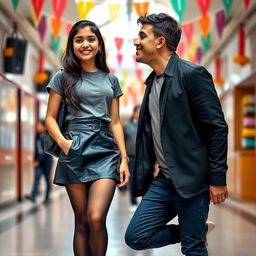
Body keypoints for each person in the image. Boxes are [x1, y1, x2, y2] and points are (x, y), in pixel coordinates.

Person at [125, 13, 228, 256]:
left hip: (192, 179)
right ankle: (194, 230)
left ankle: (193, 234)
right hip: (164, 181)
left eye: (142, 36)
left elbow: (217, 128)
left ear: (160, 42)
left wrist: (218, 178)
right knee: (136, 236)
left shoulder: (192, 74)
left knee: (192, 249)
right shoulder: (152, 82)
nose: (135, 42)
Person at [45, 20, 130, 256]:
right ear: (72, 45)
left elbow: (115, 121)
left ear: (99, 45)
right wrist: (64, 144)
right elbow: (50, 118)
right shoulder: (62, 77)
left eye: (90, 39)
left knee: (95, 217)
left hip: (105, 149)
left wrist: (123, 158)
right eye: (79, 39)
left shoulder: (110, 79)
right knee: (81, 222)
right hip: (74, 147)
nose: (85, 44)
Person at [25, 120, 53, 204]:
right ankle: (33, 196)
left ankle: (47, 197)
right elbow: (37, 150)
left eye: (39, 126)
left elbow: (46, 152)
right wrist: (35, 160)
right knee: (37, 177)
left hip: (47, 161)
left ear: (44, 127)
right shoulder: (37, 136)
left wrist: (37, 160)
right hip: (39, 161)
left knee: (47, 179)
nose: (37, 127)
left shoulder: (47, 136)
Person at [123, 105, 141, 210]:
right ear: (134, 113)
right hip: (131, 158)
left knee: (145, 180)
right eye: (138, 112)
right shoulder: (127, 127)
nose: (139, 114)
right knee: (132, 181)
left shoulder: (145, 125)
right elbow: (123, 142)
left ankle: (144, 203)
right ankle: (133, 203)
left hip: (142, 158)